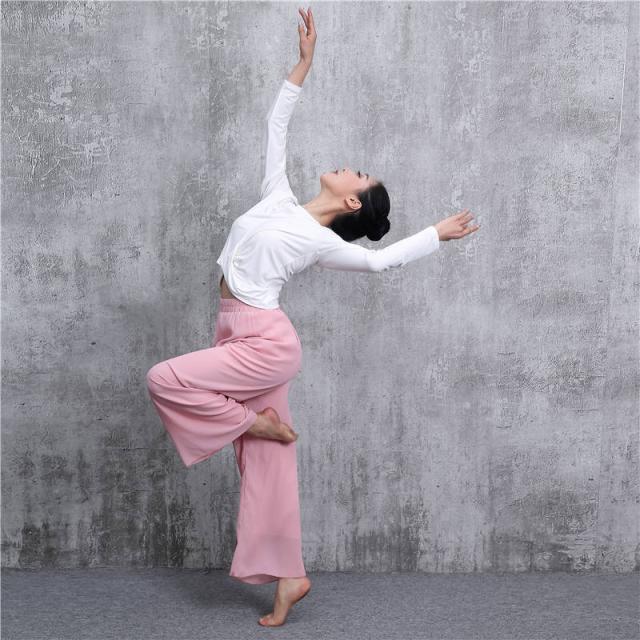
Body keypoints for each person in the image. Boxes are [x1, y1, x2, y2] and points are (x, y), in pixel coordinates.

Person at [146, 6, 480, 628]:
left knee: (165, 379)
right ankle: (289, 576)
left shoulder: (323, 242)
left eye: (359, 174)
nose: (350, 164)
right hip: (234, 329)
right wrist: (303, 64)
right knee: (265, 465)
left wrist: (434, 234)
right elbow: (276, 124)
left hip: (263, 342)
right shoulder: (278, 195)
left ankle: (256, 425)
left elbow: (378, 263)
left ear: (351, 199)